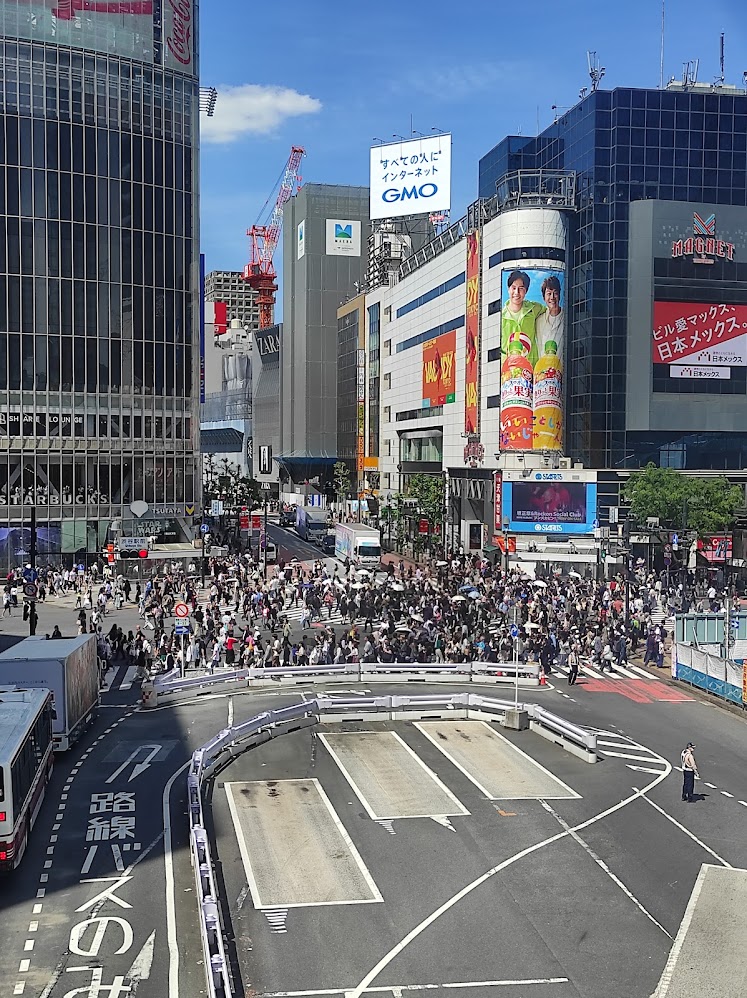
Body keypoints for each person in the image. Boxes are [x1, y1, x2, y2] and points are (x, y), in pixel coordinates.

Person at [501, 270, 546, 368]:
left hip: (531, 368)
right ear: (508, 289)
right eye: (513, 288)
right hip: (509, 371)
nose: (516, 293)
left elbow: (551, 311)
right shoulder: (501, 316)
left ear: (526, 291)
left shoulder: (533, 308)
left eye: (521, 289)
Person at [534, 274, 564, 358]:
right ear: (543, 297)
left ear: (559, 295)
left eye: (555, 293)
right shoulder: (538, 321)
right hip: (542, 369)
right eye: (549, 293)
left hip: (564, 369)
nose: (552, 297)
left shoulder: (567, 318)